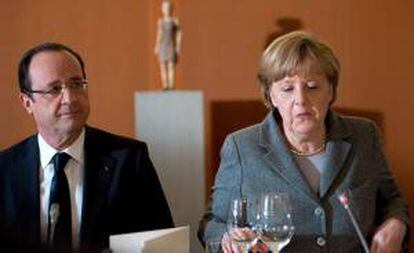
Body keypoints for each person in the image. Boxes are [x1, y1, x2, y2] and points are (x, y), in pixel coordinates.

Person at [198, 31, 410, 252]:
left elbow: (392, 201)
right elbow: (210, 224)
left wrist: (397, 223)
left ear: (331, 90)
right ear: (271, 96)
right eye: (288, 89)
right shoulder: (242, 147)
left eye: (312, 87)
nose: (301, 100)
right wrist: (228, 239)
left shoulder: (364, 136)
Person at [0, 42, 174, 253]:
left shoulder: (129, 161)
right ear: (27, 102)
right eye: (55, 89)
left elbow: (164, 244)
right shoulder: (5, 169)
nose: (70, 98)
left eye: (76, 84)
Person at [154, 0, 182, 90]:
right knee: (163, 66)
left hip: (171, 45)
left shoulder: (175, 21)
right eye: (165, 8)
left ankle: (171, 84)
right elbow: (159, 34)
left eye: (168, 7)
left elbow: (179, 34)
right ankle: (165, 85)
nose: (167, 9)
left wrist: (178, 46)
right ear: (162, 9)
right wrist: (157, 46)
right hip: (163, 45)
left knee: (171, 66)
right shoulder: (160, 21)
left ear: (172, 9)